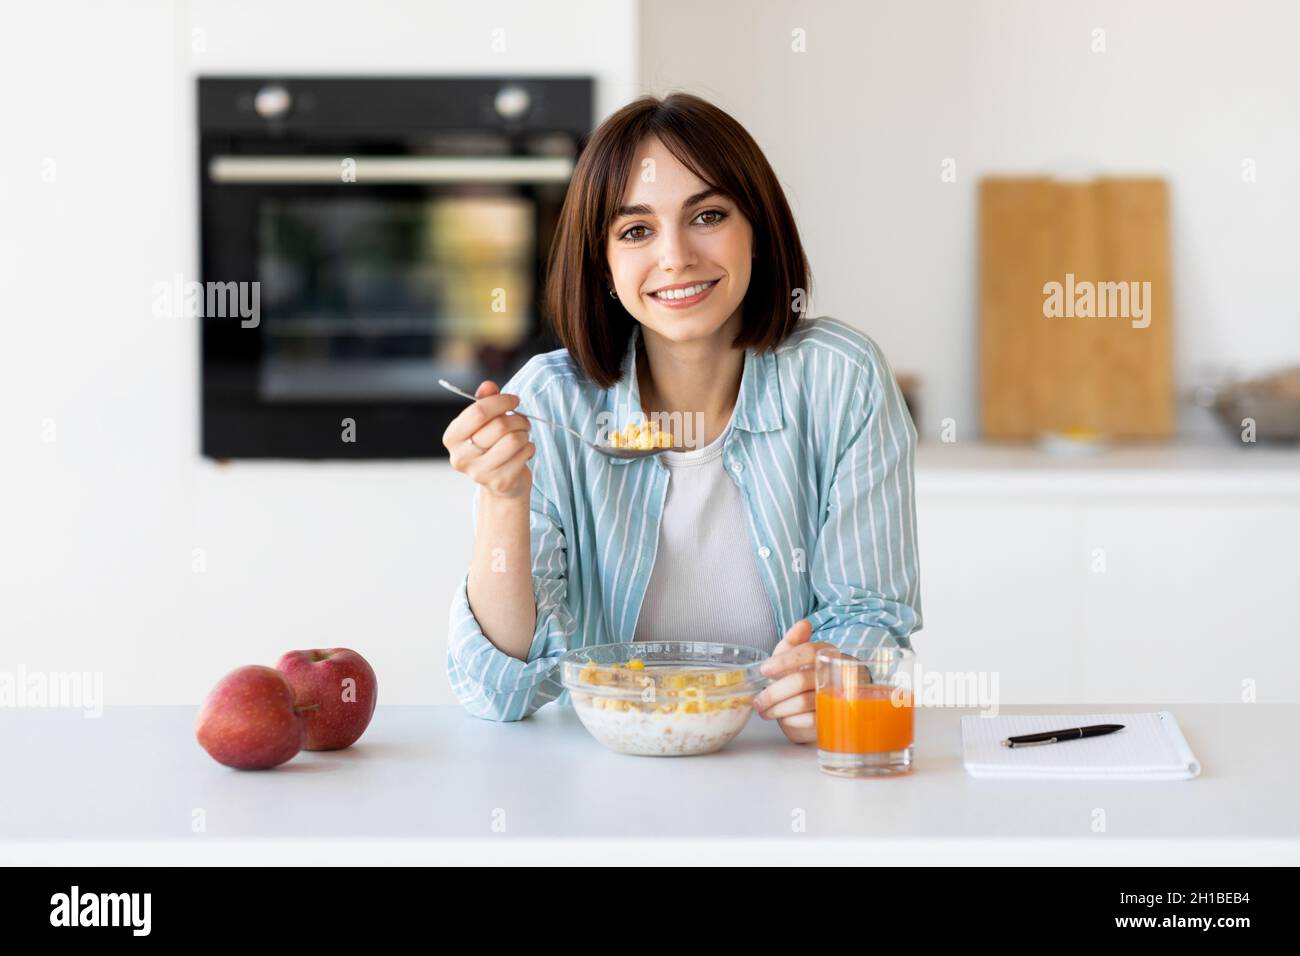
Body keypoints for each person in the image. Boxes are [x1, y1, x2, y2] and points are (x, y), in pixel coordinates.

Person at [444, 92, 921, 744]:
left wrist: (837, 676)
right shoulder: (552, 403)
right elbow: (502, 692)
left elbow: (871, 616)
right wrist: (502, 497)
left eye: (708, 215)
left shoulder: (841, 377)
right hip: (608, 771)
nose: (675, 257)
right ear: (604, 265)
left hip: (781, 768)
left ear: (758, 229)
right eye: (636, 230)